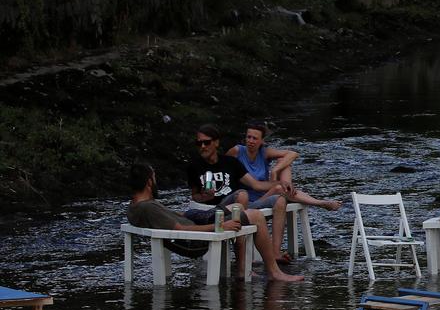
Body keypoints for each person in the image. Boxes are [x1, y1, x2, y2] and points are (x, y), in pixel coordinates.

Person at [127, 162, 303, 282]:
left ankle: (243, 269)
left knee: (238, 205)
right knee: (256, 216)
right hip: (196, 240)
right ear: (149, 182)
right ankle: (274, 272)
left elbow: (173, 219)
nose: (156, 181)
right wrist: (221, 226)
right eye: (154, 178)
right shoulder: (148, 207)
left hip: (194, 220)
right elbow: (180, 228)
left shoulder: (136, 206)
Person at [187, 123, 290, 265]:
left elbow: (256, 185)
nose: (202, 146)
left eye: (206, 142)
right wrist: (204, 197)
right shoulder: (194, 166)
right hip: (213, 212)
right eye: (199, 143)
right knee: (242, 197)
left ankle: (272, 254)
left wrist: (281, 183)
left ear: (216, 143)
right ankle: (243, 263)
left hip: (237, 207)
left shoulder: (230, 162)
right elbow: (195, 197)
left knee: (275, 199)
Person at [229, 119, 341, 211]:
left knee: (284, 164)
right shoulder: (237, 151)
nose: (250, 141)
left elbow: (293, 154)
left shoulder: (264, 152)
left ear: (262, 141)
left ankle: (289, 189)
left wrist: (275, 170)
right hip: (249, 203)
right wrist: (280, 183)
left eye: (255, 138)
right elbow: (255, 185)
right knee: (279, 188)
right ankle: (320, 203)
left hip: (266, 195)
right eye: (248, 137)